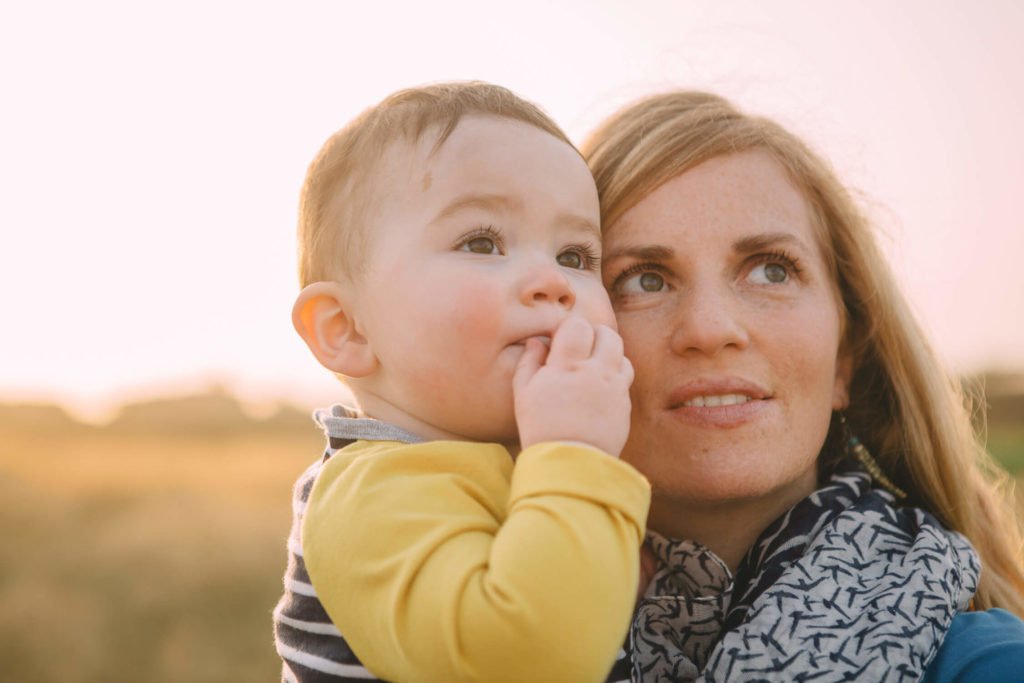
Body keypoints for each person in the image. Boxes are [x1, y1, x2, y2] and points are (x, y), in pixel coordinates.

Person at [580, 90, 1024, 682]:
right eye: (642, 280)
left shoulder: (995, 666)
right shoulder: (440, 648)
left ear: (845, 357)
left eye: (770, 269)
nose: (710, 328)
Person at [271, 82, 651, 683]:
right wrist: (576, 455)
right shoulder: (373, 489)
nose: (551, 282)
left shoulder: (506, 470)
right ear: (347, 330)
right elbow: (529, 660)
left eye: (576, 256)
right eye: (482, 242)